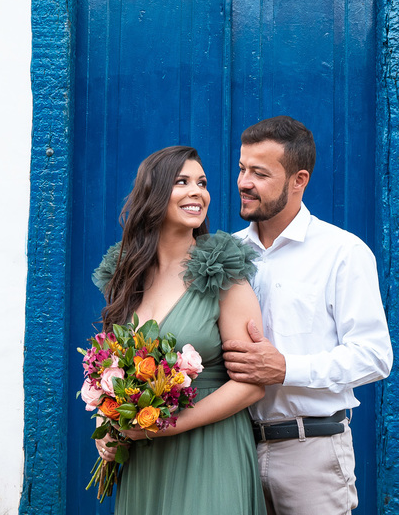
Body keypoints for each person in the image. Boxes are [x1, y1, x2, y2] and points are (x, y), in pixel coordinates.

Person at [222, 116, 393, 515]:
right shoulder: (226, 252)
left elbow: (374, 356)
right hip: (232, 451)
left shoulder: (342, 252)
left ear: (299, 180)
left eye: (260, 173)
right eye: (242, 169)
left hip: (311, 452)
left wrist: (285, 368)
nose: (244, 182)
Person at [91, 145, 267, 514]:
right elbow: (114, 367)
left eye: (201, 183)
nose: (197, 192)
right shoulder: (128, 277)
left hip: (211, 450)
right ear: (152, 195)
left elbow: (252, 385)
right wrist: (110, 424)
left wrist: (168, 424)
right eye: (181, 182)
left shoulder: (224, 273)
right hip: (146, 457)